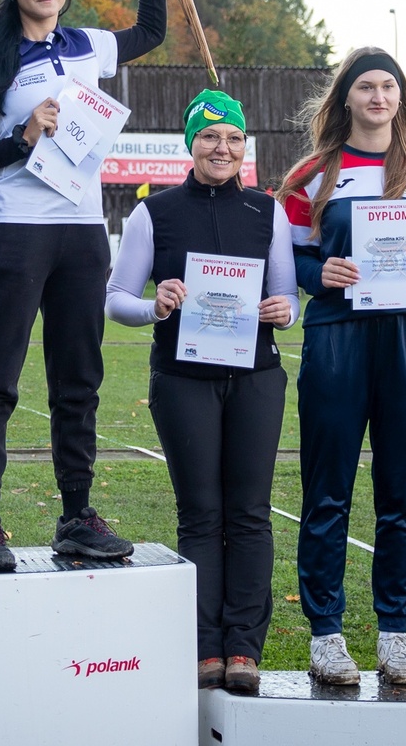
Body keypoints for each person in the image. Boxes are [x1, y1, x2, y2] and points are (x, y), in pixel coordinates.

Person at [0, 0, 173, 572]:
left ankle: (76, 517)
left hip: (81, 236)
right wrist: (21, 139)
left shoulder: (86, 45)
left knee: (79, 383)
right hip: (17, 232)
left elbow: (154, 31)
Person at [105, 89, 299, 694]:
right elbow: (116, 298)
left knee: (248, 513)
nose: (222, 147)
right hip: (183, 380)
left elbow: (289, 298)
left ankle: (243, 647)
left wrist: (282, 310)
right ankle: (203, 647)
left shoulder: (268, 211)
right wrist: (154, 306)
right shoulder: (154, 212)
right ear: (190, 144)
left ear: (246, 147)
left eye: (234, 138)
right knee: (200, 513)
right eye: (210, 136)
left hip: (255, 379)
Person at [277, 47, 406, 687]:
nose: (379, 97)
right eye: (366, 87)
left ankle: (394, 634)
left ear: (401, 98)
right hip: (337, 337)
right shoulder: (313, 174)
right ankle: (326, 634)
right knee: (328, 491)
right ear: (345, 97)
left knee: (402, 495)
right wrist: (317, 274)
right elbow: (289, 264)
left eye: (389, 87)